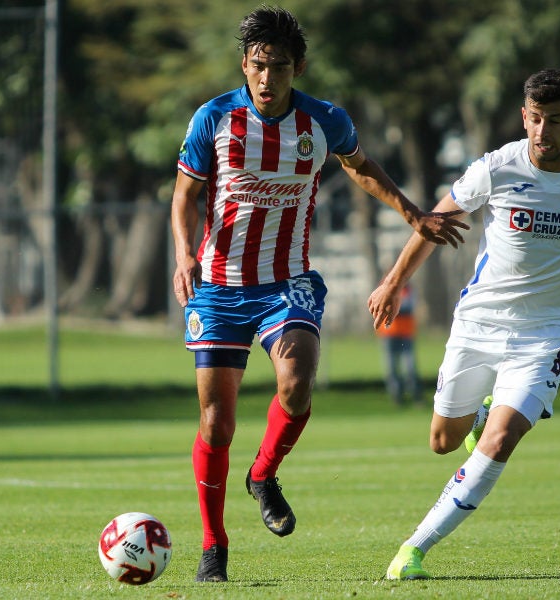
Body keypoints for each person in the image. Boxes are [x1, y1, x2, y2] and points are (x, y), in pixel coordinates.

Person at [171, 6, 467, 583]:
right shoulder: (213, 119)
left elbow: (360, 166)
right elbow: (184, 196)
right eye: (257, 66)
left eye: (278, 67)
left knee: (299, 381)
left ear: (296, 68)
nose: (266, 77)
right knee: (215, 423)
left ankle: (263, 475)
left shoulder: (323, 121)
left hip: (288, 281)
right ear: (244, 65)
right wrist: (184, 253)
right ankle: (213, 545)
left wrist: (413, 214)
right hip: (219, 287)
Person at [368, 69, 560, 580]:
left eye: (555, 120)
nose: (543, 131)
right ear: (524, 116)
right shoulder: (495, 168)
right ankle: (478, 416)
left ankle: (414, 549)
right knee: (442, 442)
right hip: (480, 322)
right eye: (535, 119)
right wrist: (391, 283)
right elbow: (435, 223)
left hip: (549, 331)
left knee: (501, 440)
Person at [375, 283, 421, 406]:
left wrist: (394, 306)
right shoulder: (383, 287)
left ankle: (416, 395)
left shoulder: (408, 289)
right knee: (391, 367)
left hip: (405, 332)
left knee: (410, 366)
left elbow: (408, 307)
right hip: (388, 332)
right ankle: (397, 397)